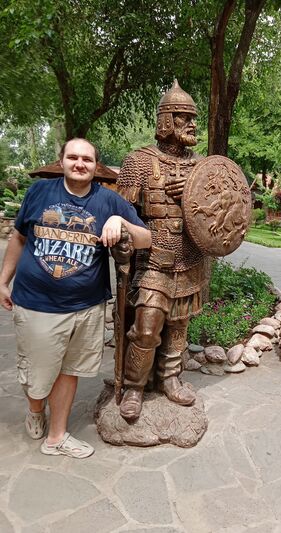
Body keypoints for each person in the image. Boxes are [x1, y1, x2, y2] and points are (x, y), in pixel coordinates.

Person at [0, 138, 151, 458]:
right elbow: (19, 237)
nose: (80, 163)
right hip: (37, 304)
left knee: (69, 370)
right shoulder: (40, 192)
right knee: (37, 377)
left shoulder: (108, 201)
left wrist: (121, 222)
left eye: (87, 159)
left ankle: (56, 437)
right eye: (73, 157)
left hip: (86, 306)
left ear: (96, 166)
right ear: (62, 161)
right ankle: (36, 410)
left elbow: (146, 238)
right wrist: (3, 281)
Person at [115, 80, 208, 422]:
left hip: (190, 259)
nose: (192, 124)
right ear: (166, 120)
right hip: (153, 261)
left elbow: (219, 211)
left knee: (179, 326)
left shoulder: (203, 167)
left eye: (193, 118)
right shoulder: (138, 162)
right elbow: (121, 214)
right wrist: (122, 243)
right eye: (185, 117)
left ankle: (170, 378)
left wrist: (195, 191)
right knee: (146, 328)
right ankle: (134, 388)